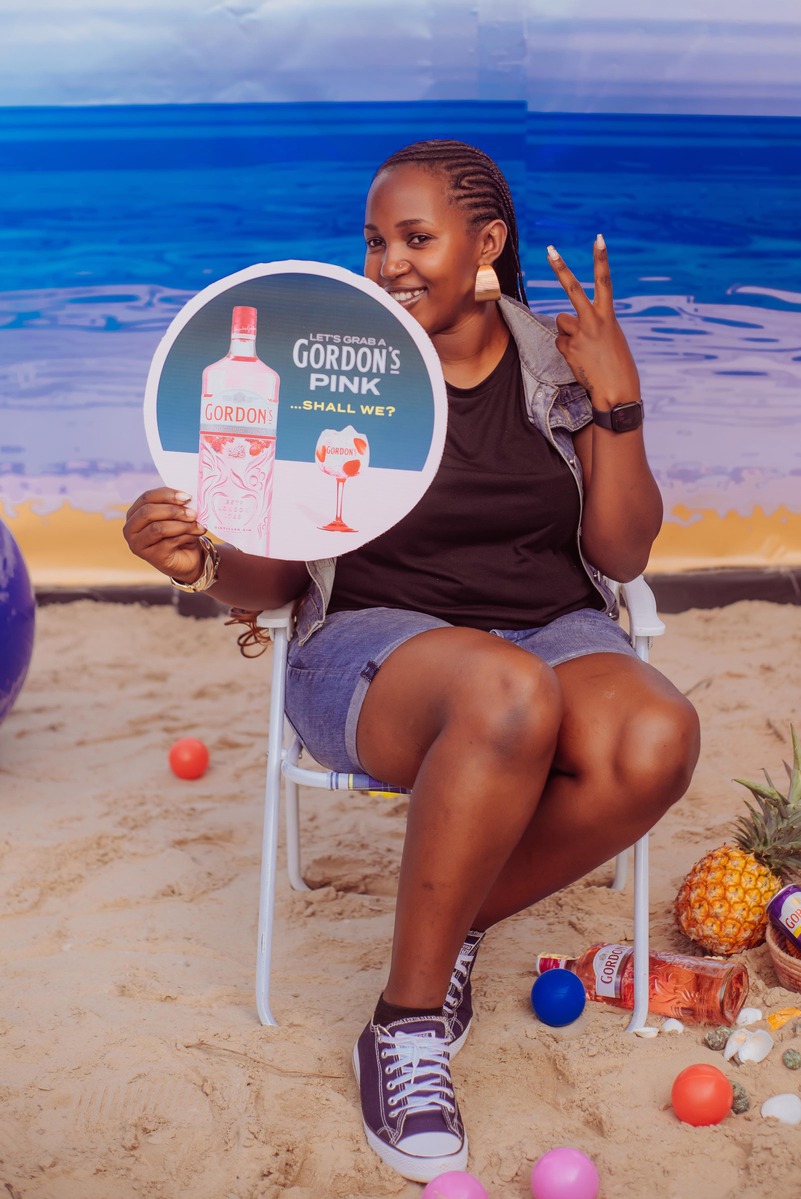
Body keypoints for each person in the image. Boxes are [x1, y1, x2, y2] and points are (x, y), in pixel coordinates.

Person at [124, 139, 700, 1184]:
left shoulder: (559, 358)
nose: (387, 263)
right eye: (374, 240)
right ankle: (403, 1021)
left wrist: (619, 401)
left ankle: (454, 916)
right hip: (374, 650)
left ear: (486, 243)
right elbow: (276, 575)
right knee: (504, 690)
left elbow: (620, 555)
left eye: (415, 238)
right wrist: (199, 560)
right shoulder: (337, 364)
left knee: (658, 734)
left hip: (555, 630)